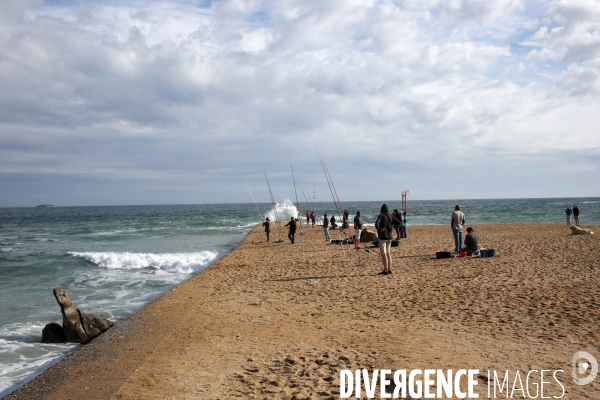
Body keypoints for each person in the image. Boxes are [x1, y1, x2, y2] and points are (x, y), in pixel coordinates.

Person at [375, 204, 394, 275]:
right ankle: (390, 269)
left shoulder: (381, 215)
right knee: (388, 253)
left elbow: (376, 223)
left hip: (383, 237)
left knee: (384, 254)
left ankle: (385, 270)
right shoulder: (390, 215)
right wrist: (393, 227)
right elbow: (399, 222)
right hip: (390, 236)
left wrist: (379, 229)